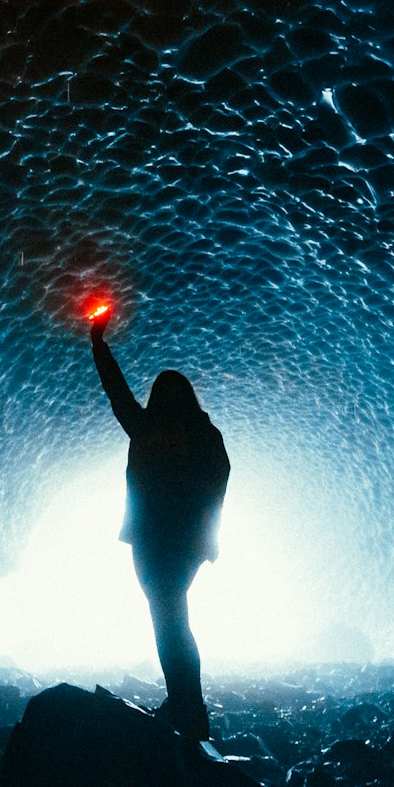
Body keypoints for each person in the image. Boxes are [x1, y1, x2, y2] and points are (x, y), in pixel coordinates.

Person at [89, 309, 230, 742]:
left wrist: (99, 344)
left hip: (162, 543)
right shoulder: (194, 432)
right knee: (170, 620)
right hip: (165, 543)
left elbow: (217, 483)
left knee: (169, 620)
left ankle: (189, 707)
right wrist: (98, 345)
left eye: (166, 392)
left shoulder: (151, 429)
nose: (163, 398)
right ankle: (186, 703)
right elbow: (220, 478)